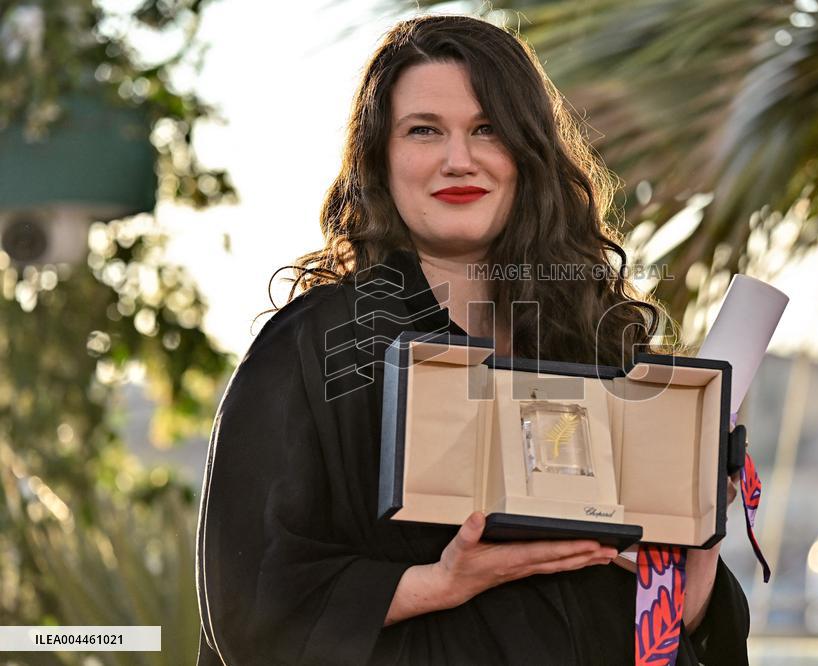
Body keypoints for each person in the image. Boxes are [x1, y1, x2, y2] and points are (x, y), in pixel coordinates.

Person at [195, 14, 750, 666]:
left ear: (527, 153)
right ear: (380, 157)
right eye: (424, 130)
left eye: (487, 128)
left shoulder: (595, 345)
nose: (459, 160)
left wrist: (698, 528)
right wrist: (439, 582)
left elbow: (668, 621)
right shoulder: (316, 348)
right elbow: (251, 603)